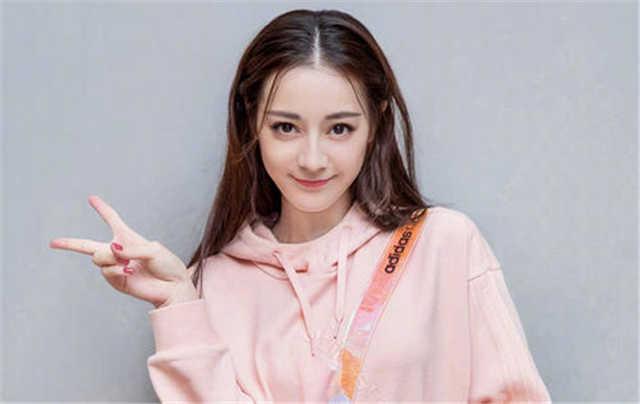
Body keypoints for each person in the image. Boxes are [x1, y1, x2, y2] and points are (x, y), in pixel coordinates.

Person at [49, 8, 552, 403]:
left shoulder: (444, 245)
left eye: (340, 128)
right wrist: (180, 303)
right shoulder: (212, 285)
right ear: (252, 123)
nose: (313, 159)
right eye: (286, 127)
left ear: (375, 124)